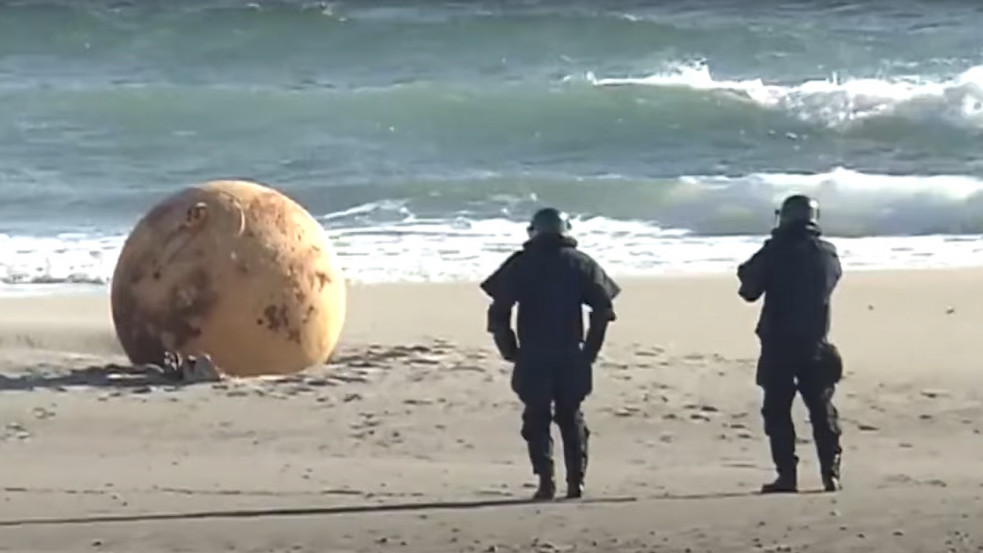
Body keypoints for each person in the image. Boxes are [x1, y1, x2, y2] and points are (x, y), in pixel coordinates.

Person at [480, 207, 620, 500]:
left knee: (537, 417)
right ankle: (575, 483)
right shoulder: (581, 263)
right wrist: (591, 351)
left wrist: (509, 350)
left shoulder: (520, 264)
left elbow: (498, 312)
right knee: (571, 417)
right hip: (572, 354)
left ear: (534, 231)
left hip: (532, 354)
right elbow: (603, 310)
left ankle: (546, 482)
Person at [737, 194, 844, 494]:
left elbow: (749, 291)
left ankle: (787, 476)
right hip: (816, 342)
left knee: (777, 410)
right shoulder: (827, 253)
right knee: (822, 409)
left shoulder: (775, 251)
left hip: (778, 344)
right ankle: (830, 473)